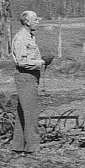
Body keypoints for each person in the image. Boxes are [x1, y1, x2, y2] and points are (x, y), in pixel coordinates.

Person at [11, 11, 54, 155]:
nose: (38, 22)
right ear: (27, 22)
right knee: (31, 113)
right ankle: (33, 147)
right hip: (26, 77)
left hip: (30, 77)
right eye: (35, 19)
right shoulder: (22, 38)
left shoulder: (29, 36)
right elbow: (22, 62)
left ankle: (18, 145)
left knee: (23, 113)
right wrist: (42, 62)